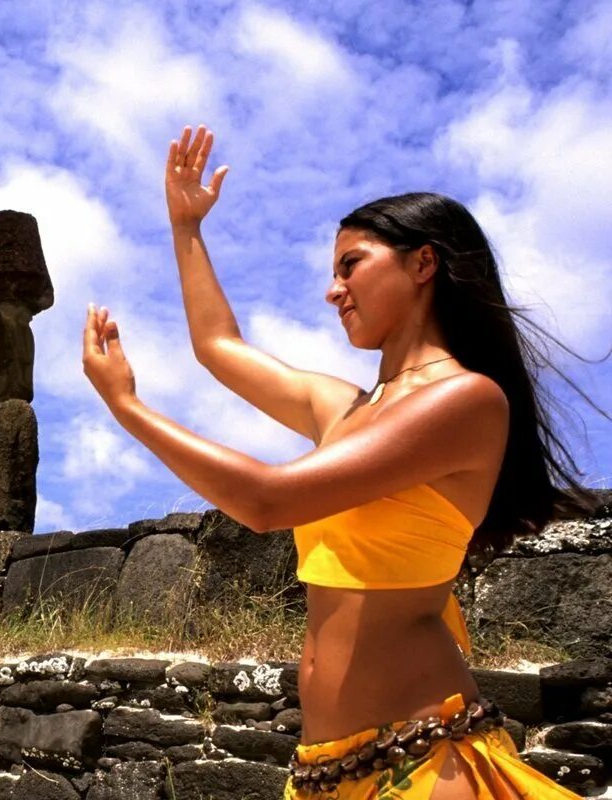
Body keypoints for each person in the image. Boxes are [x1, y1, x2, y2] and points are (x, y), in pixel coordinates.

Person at [81, 124, 603, 799]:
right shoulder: (346, 409)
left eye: (350, 264)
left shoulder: (467, 402)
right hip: (324, 768)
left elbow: (268, 501)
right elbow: (217, 345)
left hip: (423, 765)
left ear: (423, 264)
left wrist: (129, 409)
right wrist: (187, 226)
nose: (334, 290)